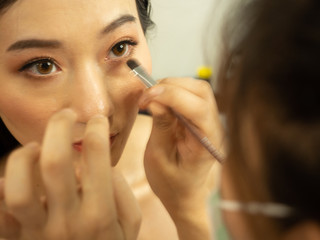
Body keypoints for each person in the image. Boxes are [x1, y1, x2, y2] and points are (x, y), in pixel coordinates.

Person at [0, 0, 222, 239]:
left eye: (119, 47)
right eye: (43, 66)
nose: (97, 109)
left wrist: (191, 212)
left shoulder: (209, 167)